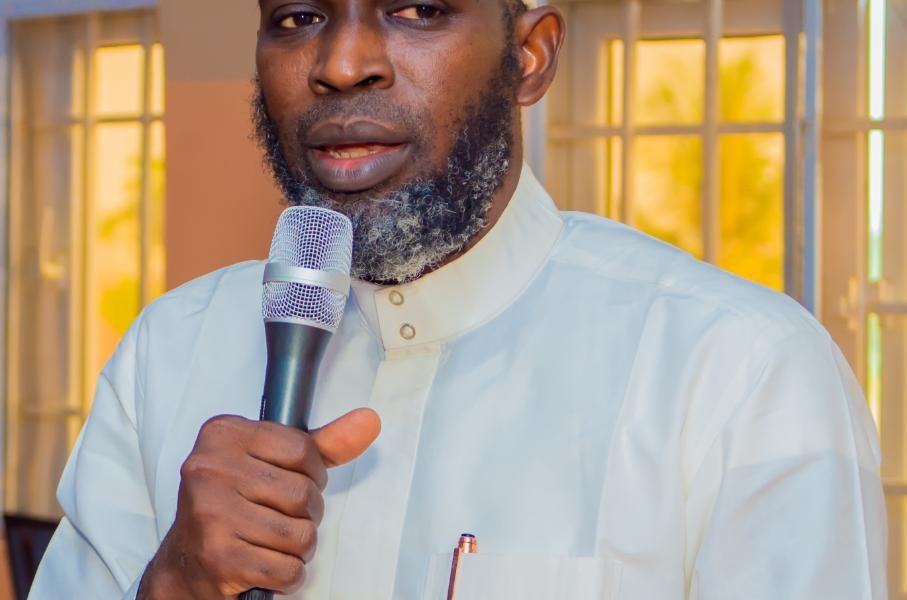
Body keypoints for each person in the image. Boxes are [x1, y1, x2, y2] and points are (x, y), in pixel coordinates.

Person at [31, 1, 887, 598]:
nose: (341, 65)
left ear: (529, 56)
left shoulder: (737, 370)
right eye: (298, 18)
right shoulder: (168, 351)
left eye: (417, 10)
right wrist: (175, 584)